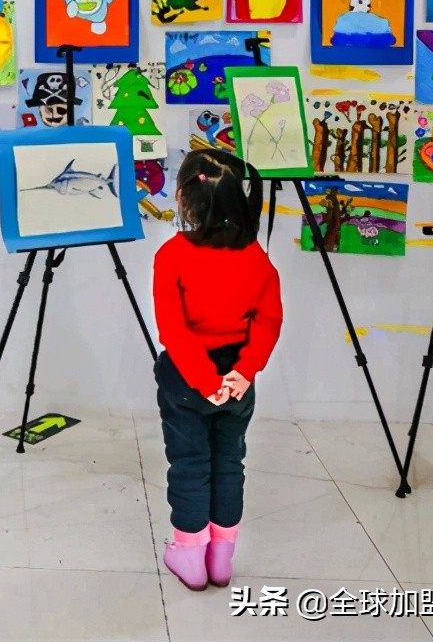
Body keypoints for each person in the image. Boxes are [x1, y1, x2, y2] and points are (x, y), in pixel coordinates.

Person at [152, 149, 283, 590]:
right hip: (237, 380)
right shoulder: (257, 258)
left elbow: (173, 329)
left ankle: (189, 556)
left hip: (189, 379)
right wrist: (243, 373)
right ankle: (222, 556)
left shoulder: (171, 255)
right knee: (229, 461)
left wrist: (205, 381)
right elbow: (269, 321)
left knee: (190, 463)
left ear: (185, 200)